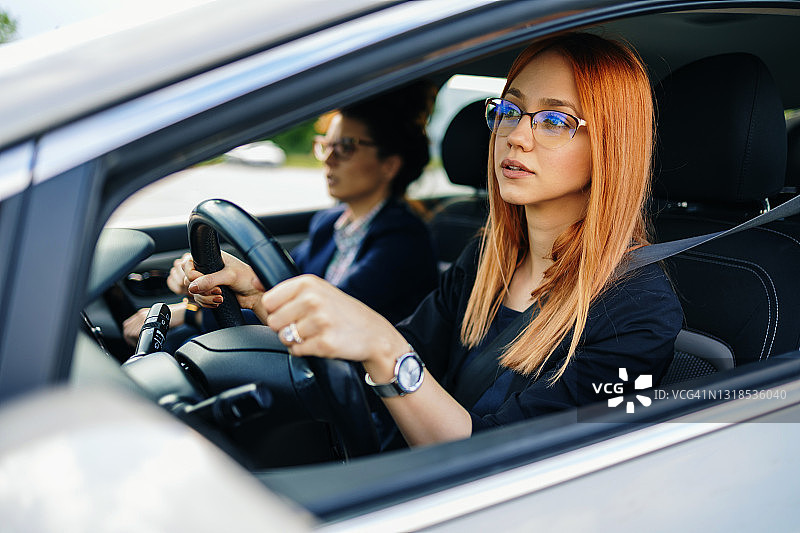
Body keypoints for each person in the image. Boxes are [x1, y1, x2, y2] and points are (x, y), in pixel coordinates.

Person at [183, 33, 683, 448]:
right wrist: (264, 297)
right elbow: (383, 362)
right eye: (510, 110)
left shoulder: (638, 308)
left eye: (554, 121)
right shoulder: (487, 260)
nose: (516, 136)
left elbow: (502, 462)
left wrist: (385, 347)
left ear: (611, 147)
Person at [122, 82, 439, 347]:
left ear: (389, 165)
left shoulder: (402, 243)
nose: (328, 160)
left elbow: (326, 316)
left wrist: (189, 312)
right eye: (325, 146)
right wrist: (202, 285)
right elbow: (278, 280)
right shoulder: (330, 223)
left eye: (345, 147)